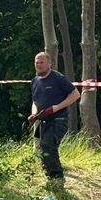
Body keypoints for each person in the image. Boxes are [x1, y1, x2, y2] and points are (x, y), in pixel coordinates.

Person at [28, 51, 80, 181]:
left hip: (59, 119)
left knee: (48, 145)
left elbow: (75, 94)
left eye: (42, 62)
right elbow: (35, 102)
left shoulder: (58, 78)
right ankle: (49, 176)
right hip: (43, 120)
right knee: (43, 148)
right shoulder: (35, 81)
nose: (39, 65)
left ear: (49, 63)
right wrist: (34, 114)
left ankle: (57, 178)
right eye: (37, 62)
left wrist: (57, 107)